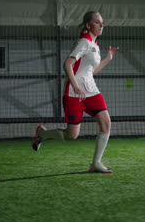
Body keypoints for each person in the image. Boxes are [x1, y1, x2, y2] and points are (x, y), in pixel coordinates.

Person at [32, 11, 119, 173]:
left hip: (91, 90)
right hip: (74, 93)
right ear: (88, 25)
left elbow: (90, 72)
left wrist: (108, 58)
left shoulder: (95, 45)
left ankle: (96, 163)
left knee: (106, 123)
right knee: (72, 135)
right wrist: (76, 86)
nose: (101, 25)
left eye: (102, 22)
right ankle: (42, 133)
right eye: (97, 22)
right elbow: (67, 64)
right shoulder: (84, 42)